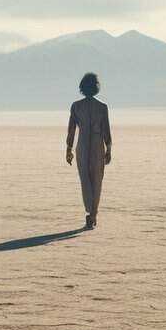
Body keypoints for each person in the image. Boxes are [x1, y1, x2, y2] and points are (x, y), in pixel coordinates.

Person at [65, 71, 112, 230]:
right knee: (97, 181)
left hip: (83, 145)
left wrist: (69, 149)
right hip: (97, 145)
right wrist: (109, 149)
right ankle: (93, 214)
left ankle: (89, 211)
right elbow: (106, 130)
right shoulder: (102, 107)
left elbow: (71, 130)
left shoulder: (76, 106)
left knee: (85, 179)